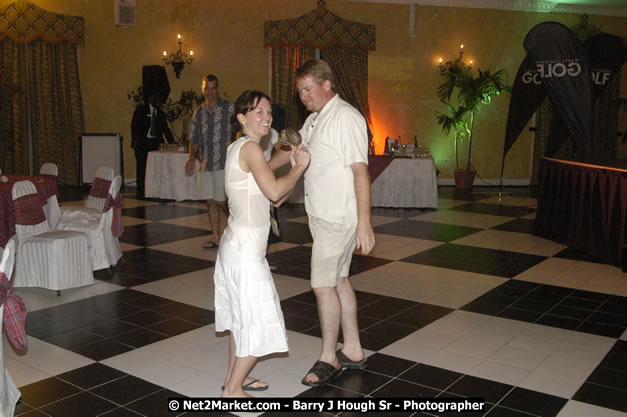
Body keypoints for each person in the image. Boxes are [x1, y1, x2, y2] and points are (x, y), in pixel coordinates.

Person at [269, 59, 376, 387]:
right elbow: (293, 150)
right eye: (299, 91)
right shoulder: (315, 119)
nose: (303, 96)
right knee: (339, 280)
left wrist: (364, 222)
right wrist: (261, 168)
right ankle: (353, 348)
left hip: (337, 218)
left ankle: (329, 356)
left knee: (322, 286)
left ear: (327, 85)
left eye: (308, 89)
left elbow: (360, 170)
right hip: (324, 216)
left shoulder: (345, 117)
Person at [214, 90, 310, 397]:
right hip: (244, 253)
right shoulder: (250, 149)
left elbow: (276, 198)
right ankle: (232, 391)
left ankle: (234, 380)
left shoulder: (240, 147)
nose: (267, 117)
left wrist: (290, 161)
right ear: (242, 118)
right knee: (258, 321)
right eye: (258, 112)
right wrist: (299, 167)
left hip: (236, 248)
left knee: (241, 322)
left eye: (269, 112)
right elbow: (275, 191)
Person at [185, 74, 234, 249]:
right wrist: (191, 159)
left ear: (217, 89)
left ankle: (237, 228)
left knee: (221, 201)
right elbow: (195, 138)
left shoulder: (229, 108)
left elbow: (240, 128)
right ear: (203, 89)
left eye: (213, 88)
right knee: (210, 201)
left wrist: (235, 143)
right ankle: (215, 237)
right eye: (207, 88)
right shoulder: (199, 112)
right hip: (206, 163)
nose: (210, 92)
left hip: (224, 162)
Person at [131, 92, 175, 199]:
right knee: (142, 169)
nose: (160, 103)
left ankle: (154, 192)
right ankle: (141, 193)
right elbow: (135, 126)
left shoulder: (161, 114)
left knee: (155, 169)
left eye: (161, 101)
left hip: (155, 144)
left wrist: (173, 143)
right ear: (151, 99)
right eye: (158, 100)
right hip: (142, 143)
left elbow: (166, 130)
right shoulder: (141, 110)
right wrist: (135, 141)